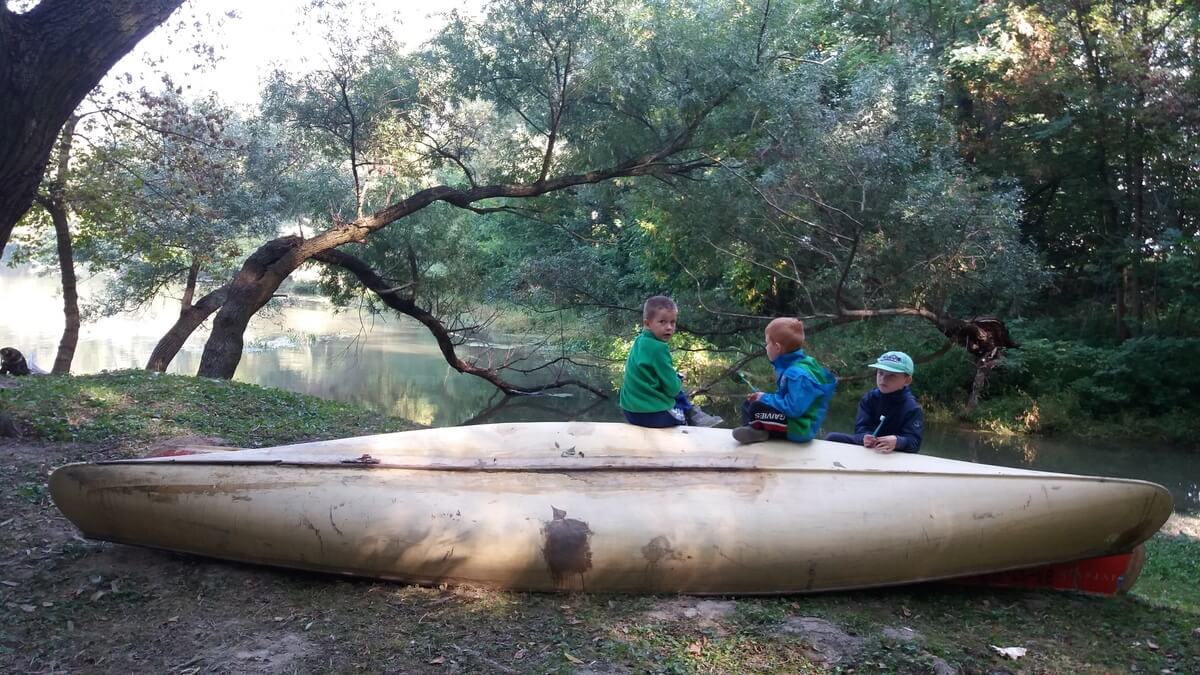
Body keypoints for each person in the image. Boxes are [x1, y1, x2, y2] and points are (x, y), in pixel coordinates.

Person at [619, 296, 723, 428]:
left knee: (674, 380)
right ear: (647, 323)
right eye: (662, 322)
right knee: (678, 394)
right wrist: (677, 380)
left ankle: (692, 412)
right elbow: (672, 389)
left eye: (672, 322)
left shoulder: (640, 341)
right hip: (652, 415)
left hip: (630, 412)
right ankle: (692, 415)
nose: (669, 327)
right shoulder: (659, 348)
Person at [731, 318, 837, 444]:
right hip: (792, 421)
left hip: (799, 428)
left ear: (777, 347)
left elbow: (794, 408)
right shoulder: (792, 365)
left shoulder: (797, 374)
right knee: (749, 403)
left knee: (756, 407)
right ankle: (753, 430)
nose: (766, 347)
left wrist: (765, 398)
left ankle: (756, 431)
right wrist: (763, 397)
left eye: (767, 343)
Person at [825, 351, 923, 453]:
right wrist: (865, 437)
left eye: (892, 375)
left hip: (894, 452)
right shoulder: (869, 398)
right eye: (880, 373)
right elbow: (861, 429)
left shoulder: (912, 408)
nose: (883, 379)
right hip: (870, 447)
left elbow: (914, 443)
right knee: (832, 437)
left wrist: (898, 441)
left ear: (907, 381)